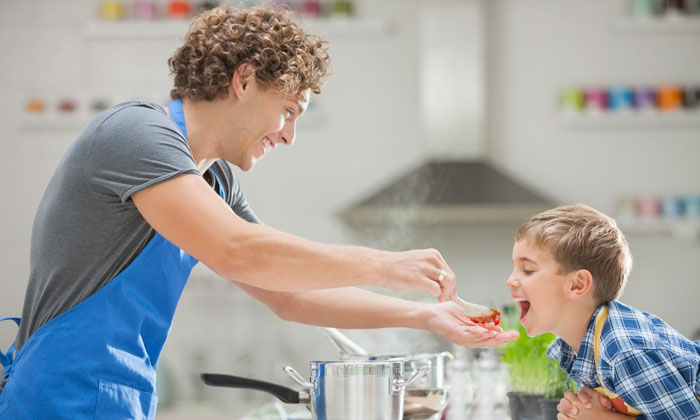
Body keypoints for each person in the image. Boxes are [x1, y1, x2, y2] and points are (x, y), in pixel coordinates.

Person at [0, 5, 518, 419]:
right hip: (57, 397)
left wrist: (426, 315)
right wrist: (387, 265)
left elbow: (289, 294)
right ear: (244, 80)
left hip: (118, 398)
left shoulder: (212, 179)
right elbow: (238, 252)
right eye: (289, 111)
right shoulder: (136, 135)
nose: (289, 136)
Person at [506, 204, 700, 420]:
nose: (510, 281)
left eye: (528, 270)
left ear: (577, 285)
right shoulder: (578, 345)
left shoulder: (624, 351)